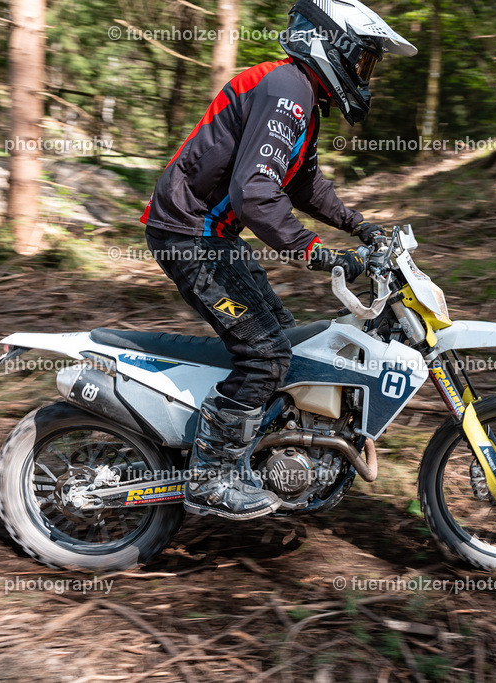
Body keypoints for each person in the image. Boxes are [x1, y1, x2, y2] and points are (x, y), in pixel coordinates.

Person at [140, 0, 417, 520]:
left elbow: (304, 183)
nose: (365, 75)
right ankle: (210, 476)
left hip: (212, 236)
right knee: (265, 353)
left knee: (287, 342)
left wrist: (359, 225)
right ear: (333, 45)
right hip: (190, 235)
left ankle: (267, 458)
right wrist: (315, 252)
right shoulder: (287, 89)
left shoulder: (299, 95)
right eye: (363, 60)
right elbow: (255, 193)